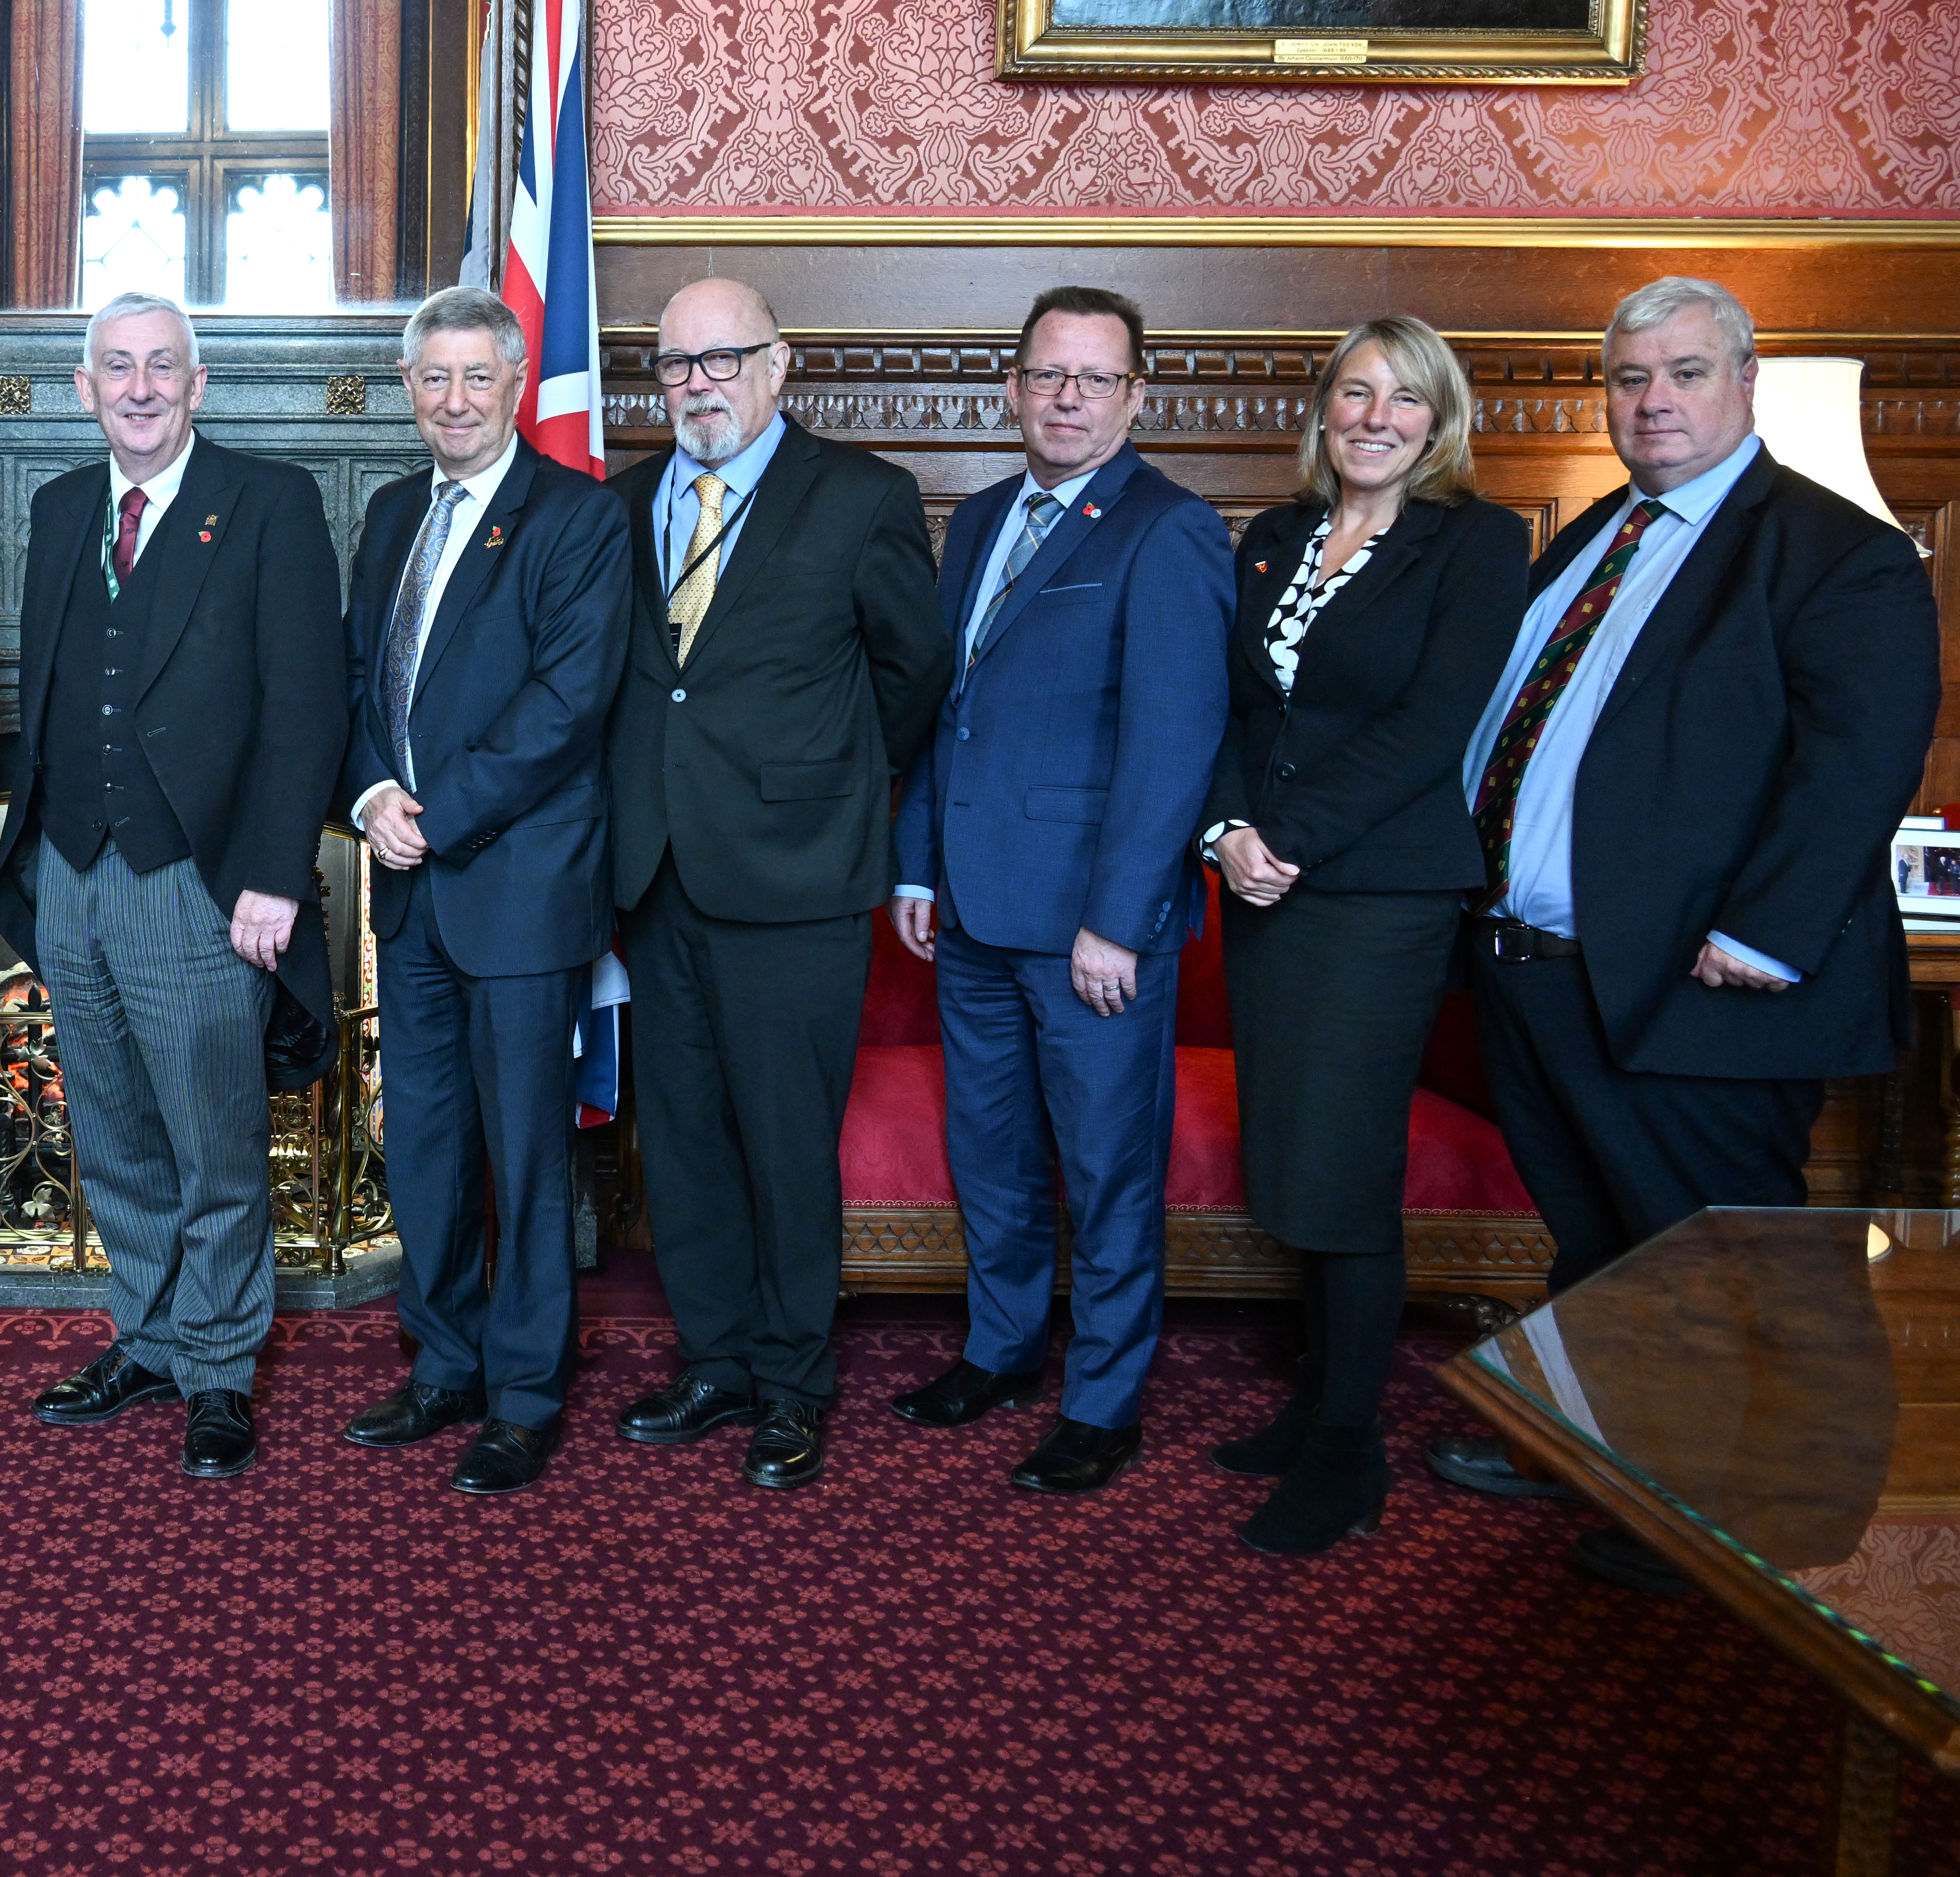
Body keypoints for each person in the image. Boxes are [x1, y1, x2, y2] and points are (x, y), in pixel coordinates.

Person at [1430, 275, 1936, 1596]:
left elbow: (1858, 761)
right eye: (1631, 379)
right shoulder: (1598, 532)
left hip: (1706, 981)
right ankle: (1616, 1450)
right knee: (1606, 1242)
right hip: (1538, 970)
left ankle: (1780, 1511)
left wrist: (1764, 938)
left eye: (1686, 373)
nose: (1654, 402)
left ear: (1747, 379)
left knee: (1738, 1257)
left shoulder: (1836, 549)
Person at [0, 292, 350, 1480]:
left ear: (198, 385)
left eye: (162, 367)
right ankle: (145, 1337)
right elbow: (51, 695)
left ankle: (219, 1366)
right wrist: (34, 858)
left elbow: (307, 707)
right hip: (70, 873)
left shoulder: (271, 502)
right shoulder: (55, 507)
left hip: (198, 879)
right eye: (117, 367)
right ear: (85, 388)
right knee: (116, 1130)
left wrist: (274, 878)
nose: (139, 386)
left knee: (214, 1139)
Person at [604, 277, 951, 1491]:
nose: (697, 384)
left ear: (778, 364)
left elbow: (915, 677)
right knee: (685, 1138)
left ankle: (795, 1381)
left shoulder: (862, 499)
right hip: (656, 871)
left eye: (721, 359)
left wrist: (834, 789)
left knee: (786, 1141)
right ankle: (717, 1359)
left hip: (796, 879)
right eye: (675, 365)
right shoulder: (629, 498)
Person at [889, 286, 1233, 1497]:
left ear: (1137, 395)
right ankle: (1002, 1348)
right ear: (1013, 386)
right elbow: (950, 712)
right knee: (990, 1149)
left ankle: (1105, 1398)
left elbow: (1175, 742)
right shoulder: (980, 521)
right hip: (972, 909)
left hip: (1091, 925)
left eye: (1094, 378)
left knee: (1107, 1166)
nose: (1068, 397)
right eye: (1048, 376)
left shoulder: (1170, 529)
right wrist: (918, 859)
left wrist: (1119, 917)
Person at [1201, 319, 1528, 1553]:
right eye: (1355, 392)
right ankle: (1316, 1404)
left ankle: (1349, 1449)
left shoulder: (1479, 543)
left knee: (1345, 1167)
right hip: (1268, 887)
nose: (1376, 416)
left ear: (1438, 418)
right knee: (1293, 1149)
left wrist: (1285, 837)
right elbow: (1235, 703)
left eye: (1405, 397)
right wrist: (1230, 827)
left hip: (1380, 894)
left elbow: (1431, 725)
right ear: (1325, 410)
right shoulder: (1277, 537)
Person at [336, 288, 630, 1496]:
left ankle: (521, 1391)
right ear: (409, 388)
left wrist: (435, 812)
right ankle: (443, 1359)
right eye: (432, 379)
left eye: (475, 377)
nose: (453, 400)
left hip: (514, 885)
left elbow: (566, 707)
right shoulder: (393, 510)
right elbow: (358, 683)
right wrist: (368, 799)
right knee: (431, 1148)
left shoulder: (578, 517)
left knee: (522, 1150)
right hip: (405, 885)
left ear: (516, 381)